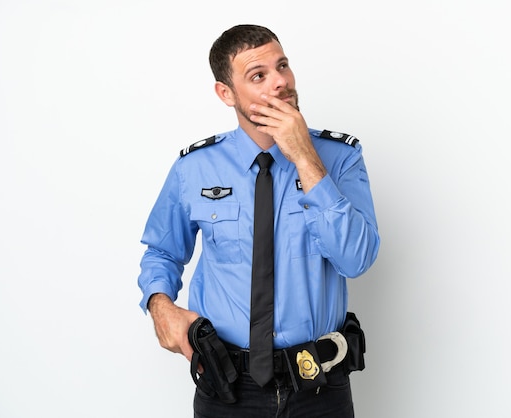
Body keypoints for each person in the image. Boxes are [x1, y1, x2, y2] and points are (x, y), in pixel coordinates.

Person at [137, 24, 380, 417]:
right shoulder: (194, 168)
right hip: (227, 386)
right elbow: (163, 251)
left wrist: (305, 158)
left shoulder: (340, 158)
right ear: (226, 93)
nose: (281, 82)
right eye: (259, 75)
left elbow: (357, 260)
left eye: (282, 65)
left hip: (319, 388)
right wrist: (159, 303)